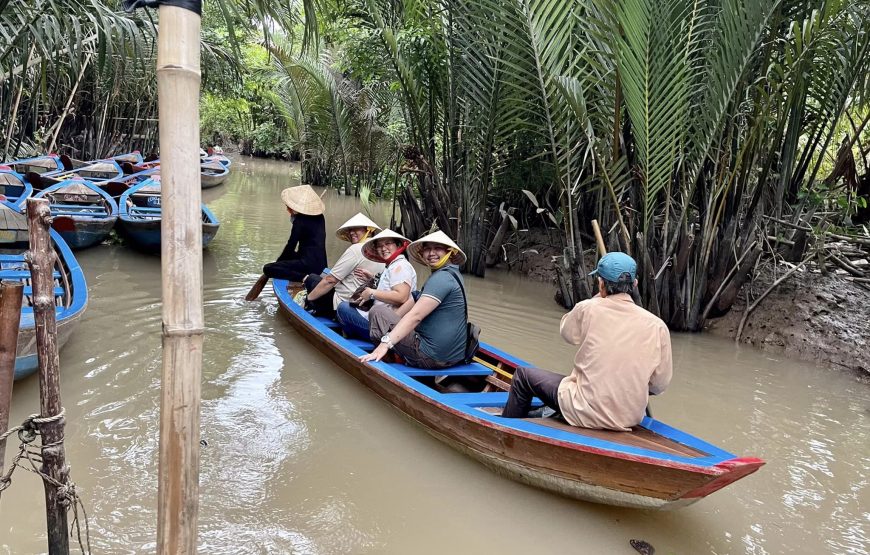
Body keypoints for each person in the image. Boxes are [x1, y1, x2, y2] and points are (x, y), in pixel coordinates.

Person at [501, 252, 673, 431]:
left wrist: (597, 298)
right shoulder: (657, 326)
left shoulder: (589, 308)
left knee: (522, 376)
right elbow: (659, 385)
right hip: (630, 418)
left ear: (601, 284)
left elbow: (568, 334)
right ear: (635, 284)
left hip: (584, 410)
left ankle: (505, 432)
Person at [360, 230, 467, 369]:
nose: (431, 253)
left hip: (431, 356)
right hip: (452, 355)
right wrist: (390, 324)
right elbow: (413, 300)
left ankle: (386, 360)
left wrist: (385, 343)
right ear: (422, 253)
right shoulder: (452, 273)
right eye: (427, 248)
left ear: (450, 252)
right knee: (382, 314)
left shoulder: (441, 279)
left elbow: (415, 316)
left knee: (376, 311)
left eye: (438, 248)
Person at [336, 229, 417, 339]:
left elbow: (401, 296)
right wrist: (372, 278)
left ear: (398, 245)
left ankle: (359, 339)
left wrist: (371, 292)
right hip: (380, 319)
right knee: (350, 306)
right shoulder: (393, 265)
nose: (383, 249)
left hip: (384, 326)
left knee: (343, 308)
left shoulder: (400, 266)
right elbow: (390, 286)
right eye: (379, 246)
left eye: (388, 243)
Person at [303, 213, 384, 318]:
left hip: (341, 305)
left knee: (312, 278)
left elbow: (330, 280)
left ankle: (315, 307)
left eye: (356, 229)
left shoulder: (356, 249)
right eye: (350, 229)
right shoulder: (382, 251)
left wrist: (308, 299)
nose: (351, 233)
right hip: (364, 304)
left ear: (368, 230)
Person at [262, 185, 327, 282]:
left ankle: (304, 278)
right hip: (321, 265)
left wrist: (278, 263)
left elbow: (291, 245)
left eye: (288, 207)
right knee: (290, 255)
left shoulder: (299, 221)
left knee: (267, 268)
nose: (287, 209)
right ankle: (301, 273)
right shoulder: (320, 217)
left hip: (309, 266)